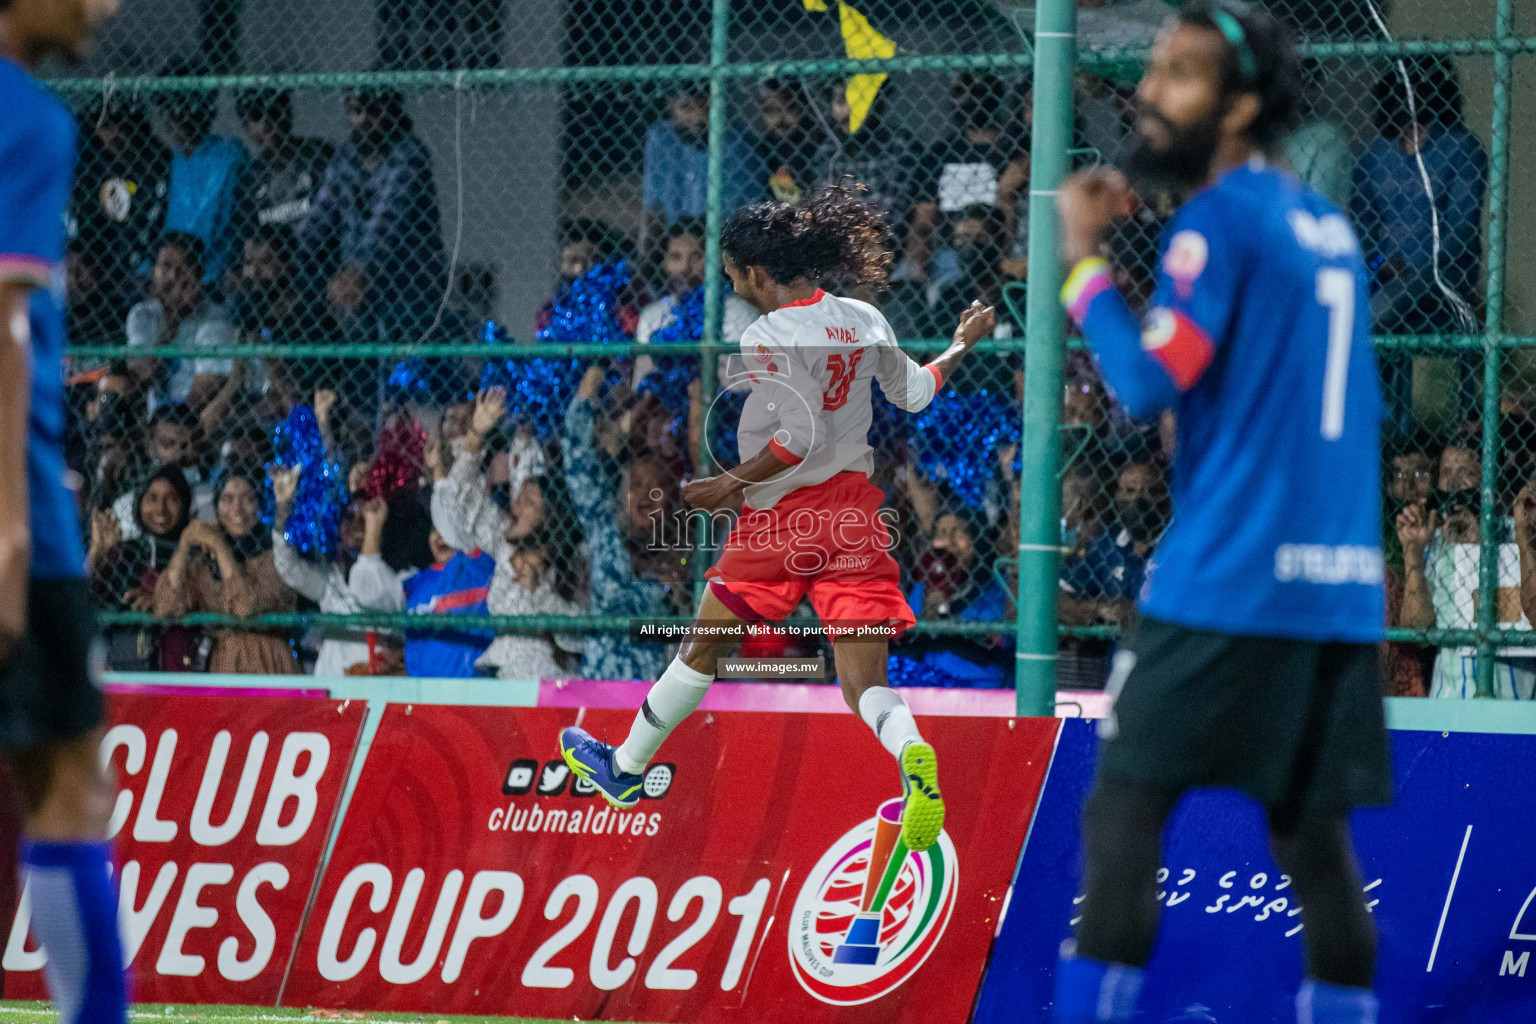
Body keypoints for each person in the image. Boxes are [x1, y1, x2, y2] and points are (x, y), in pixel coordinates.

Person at [1052, 5, 1389, 1023]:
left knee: (1122, 817)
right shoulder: (1323, 222)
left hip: (1225, 582)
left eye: (1181, 74)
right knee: (1313, 848)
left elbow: (1150, 383)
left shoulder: (1217, 220)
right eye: (1153, 69)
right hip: (1335, 599)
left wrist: (1080, 264)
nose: (1150, 91)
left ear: (1239, 104)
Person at [559, 184, 995, 855]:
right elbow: (916, 394)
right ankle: (911, 756)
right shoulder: (862, 316)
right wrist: (961, 344)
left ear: (757, 274)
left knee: (702, 647)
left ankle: (625, 767)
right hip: (854, 515)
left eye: (733, 275)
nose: (732, 285)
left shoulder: (766, 333)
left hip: (785, 518)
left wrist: (725, 486)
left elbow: (797, 439)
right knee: (866, 684)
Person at [0, 2, 129, 1021]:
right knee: (71, 791)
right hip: (20, 517)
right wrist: (8, 525)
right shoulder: (29, 120)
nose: (107, 5)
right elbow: (2, 329)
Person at [432, 390, 585, 680]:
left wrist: (537, 592)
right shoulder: (504, 543)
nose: (516, 506)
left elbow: (579, 637)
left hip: (549, 684)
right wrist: (476, 435)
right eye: (518, 498)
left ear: (551, 519)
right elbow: (460, 501)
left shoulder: (574, 563)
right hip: (495, 675)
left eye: (528, 503)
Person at [1353, 56, 1487, 335]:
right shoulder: (1376, 157)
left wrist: (1411, 263)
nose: (1407, 96)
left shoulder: (1462, 149)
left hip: (1442, 273)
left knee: (1373, 314)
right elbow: (1362, 223)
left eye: (1418, 87)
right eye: (1399, 87)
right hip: (1382, 270)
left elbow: (1462, 230)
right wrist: (1378, 264)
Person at [300, 88, 446, 342]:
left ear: (392, 111)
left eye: (374, 110)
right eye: (357, 111)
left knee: (401, 372)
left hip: (407, 292)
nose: (365, 119)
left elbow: (387, 224)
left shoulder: (409, 154)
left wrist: (358, 273)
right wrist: (292, 263)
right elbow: (320, 216)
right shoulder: (347, 157)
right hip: (358, 295)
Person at [1395, 443, 1534, 699]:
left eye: (1467, 472)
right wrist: (1413, 552)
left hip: (1514, 705)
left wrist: (1481, 550)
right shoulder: (1433, 541)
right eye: (1447, 474)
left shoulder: (1519, 532)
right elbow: (1418, 630)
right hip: (1449, 699)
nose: (1457, 483)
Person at [152, 467, 300, 674]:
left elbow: (245, 609)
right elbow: (165, 607)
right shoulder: (205, 560)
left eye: (248, 499)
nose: (237, 510)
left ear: (260, 504)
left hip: (270, 664)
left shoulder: (277, 555)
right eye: (227, 499)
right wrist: (184, 545)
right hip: (223, 665)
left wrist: (220, 545)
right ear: (216, 505)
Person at [69, 94, 169, 323]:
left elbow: (158, 225)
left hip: (145, 269)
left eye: (123, 125)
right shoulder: (95, 169)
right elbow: (88, 229)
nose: (116, 134)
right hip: (104, 274)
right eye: (106, 126)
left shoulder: (157, 162)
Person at [89, 465, 198, 673]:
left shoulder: (196, 553)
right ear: (139, 502)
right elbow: (87, 594)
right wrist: (98, 552)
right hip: (123, 666)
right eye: (152, 498)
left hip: (178, 669)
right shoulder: (126, 551)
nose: (160, 509)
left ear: (185, 504)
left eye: (171, 498)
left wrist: (159, 602)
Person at [154, 60, 249, 289]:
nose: (176, 117)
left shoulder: (228, 155)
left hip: (217, 276)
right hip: (170, 278)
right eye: (169, 109)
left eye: (185, 108)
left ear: (207, 109)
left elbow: (239, 218)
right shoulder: (168, 161)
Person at [639, 84, 760, 260]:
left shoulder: (738, 146)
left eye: (706, 107)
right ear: (670, 104)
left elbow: (737, 219)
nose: (698, 117)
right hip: (674, 245)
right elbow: (652, 207)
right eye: (687, 107)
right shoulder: (660, 139)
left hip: (718, 246)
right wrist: (647, 257)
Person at [633, 219, 759, 387]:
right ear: (664, 264)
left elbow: (739, 387)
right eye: (676, 257)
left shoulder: (737, 312)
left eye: (696, 257)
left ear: (716, 262)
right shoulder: (652, 315)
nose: (685, 268)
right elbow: (643, 385)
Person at [123, 232, 238, 414]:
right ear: (153, 272)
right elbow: (142, 375)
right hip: (153, 418)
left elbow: (203, 394)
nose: (174, 276)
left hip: (194, 421)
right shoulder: (142, 314)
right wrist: (174, 319)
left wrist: (167, 424)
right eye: (166, 266)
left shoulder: (216, 318)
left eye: (184, 268)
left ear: (199, 274)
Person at [234, 89, 335, 243]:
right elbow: (250, 236)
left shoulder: (320, 155)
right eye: (256, 115)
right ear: (246, 126)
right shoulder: (250, 179)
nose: (266, 122)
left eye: (273, 111)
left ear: (287, 112)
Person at [753, 79, 821, 204]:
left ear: (802, 106)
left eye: (788, 108)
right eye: (770, 110)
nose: (780, 117)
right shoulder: (762, 149)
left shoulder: (817, 143)